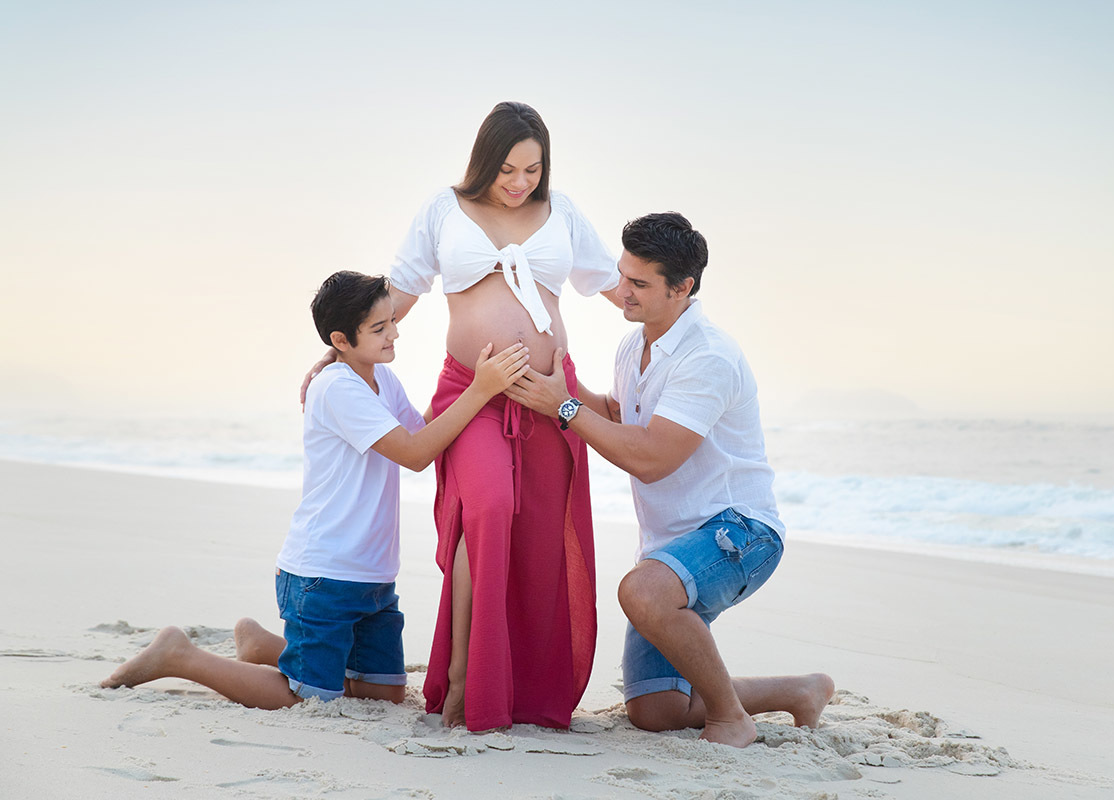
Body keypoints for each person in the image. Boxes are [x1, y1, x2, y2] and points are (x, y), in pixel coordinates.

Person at [300, 102, 620, 731]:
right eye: (507, 168)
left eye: (532, 169)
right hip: (471, 396)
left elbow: (617, 286)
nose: (520, 182)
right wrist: (334, 353)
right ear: (483, 161)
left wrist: (675, 330)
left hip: (548, 396)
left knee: (538, 544)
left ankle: (522, 693)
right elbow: (396, 296)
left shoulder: (565, 213)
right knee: (489, 508)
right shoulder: (444, 209)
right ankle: (465, 686)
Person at [101, 271, 529, 708]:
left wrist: (472, 395)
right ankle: (181, 655)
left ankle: (262, 648)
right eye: (379, 329)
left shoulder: (383, 380)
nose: (394, 334)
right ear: (341, 340)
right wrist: (480, 389)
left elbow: (427, 434)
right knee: (306, 697)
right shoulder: (336, 388)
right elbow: (416, 454)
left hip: (373, 575)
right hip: (325, 575)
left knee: (386, 694)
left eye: (392, 321)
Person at [505, 213, 836, 747]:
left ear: (682, 288)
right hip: (674, 544)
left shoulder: (708, 356)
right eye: (622, 276)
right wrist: (563, 385)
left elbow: (652, 457)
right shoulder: (632, 346)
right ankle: (799, 690)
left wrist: (562, 407)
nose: (622, 292)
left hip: (740, 532)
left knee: (642, 592)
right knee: (656, 710)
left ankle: (731, 719)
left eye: (639, 284)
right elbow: (619, 416)